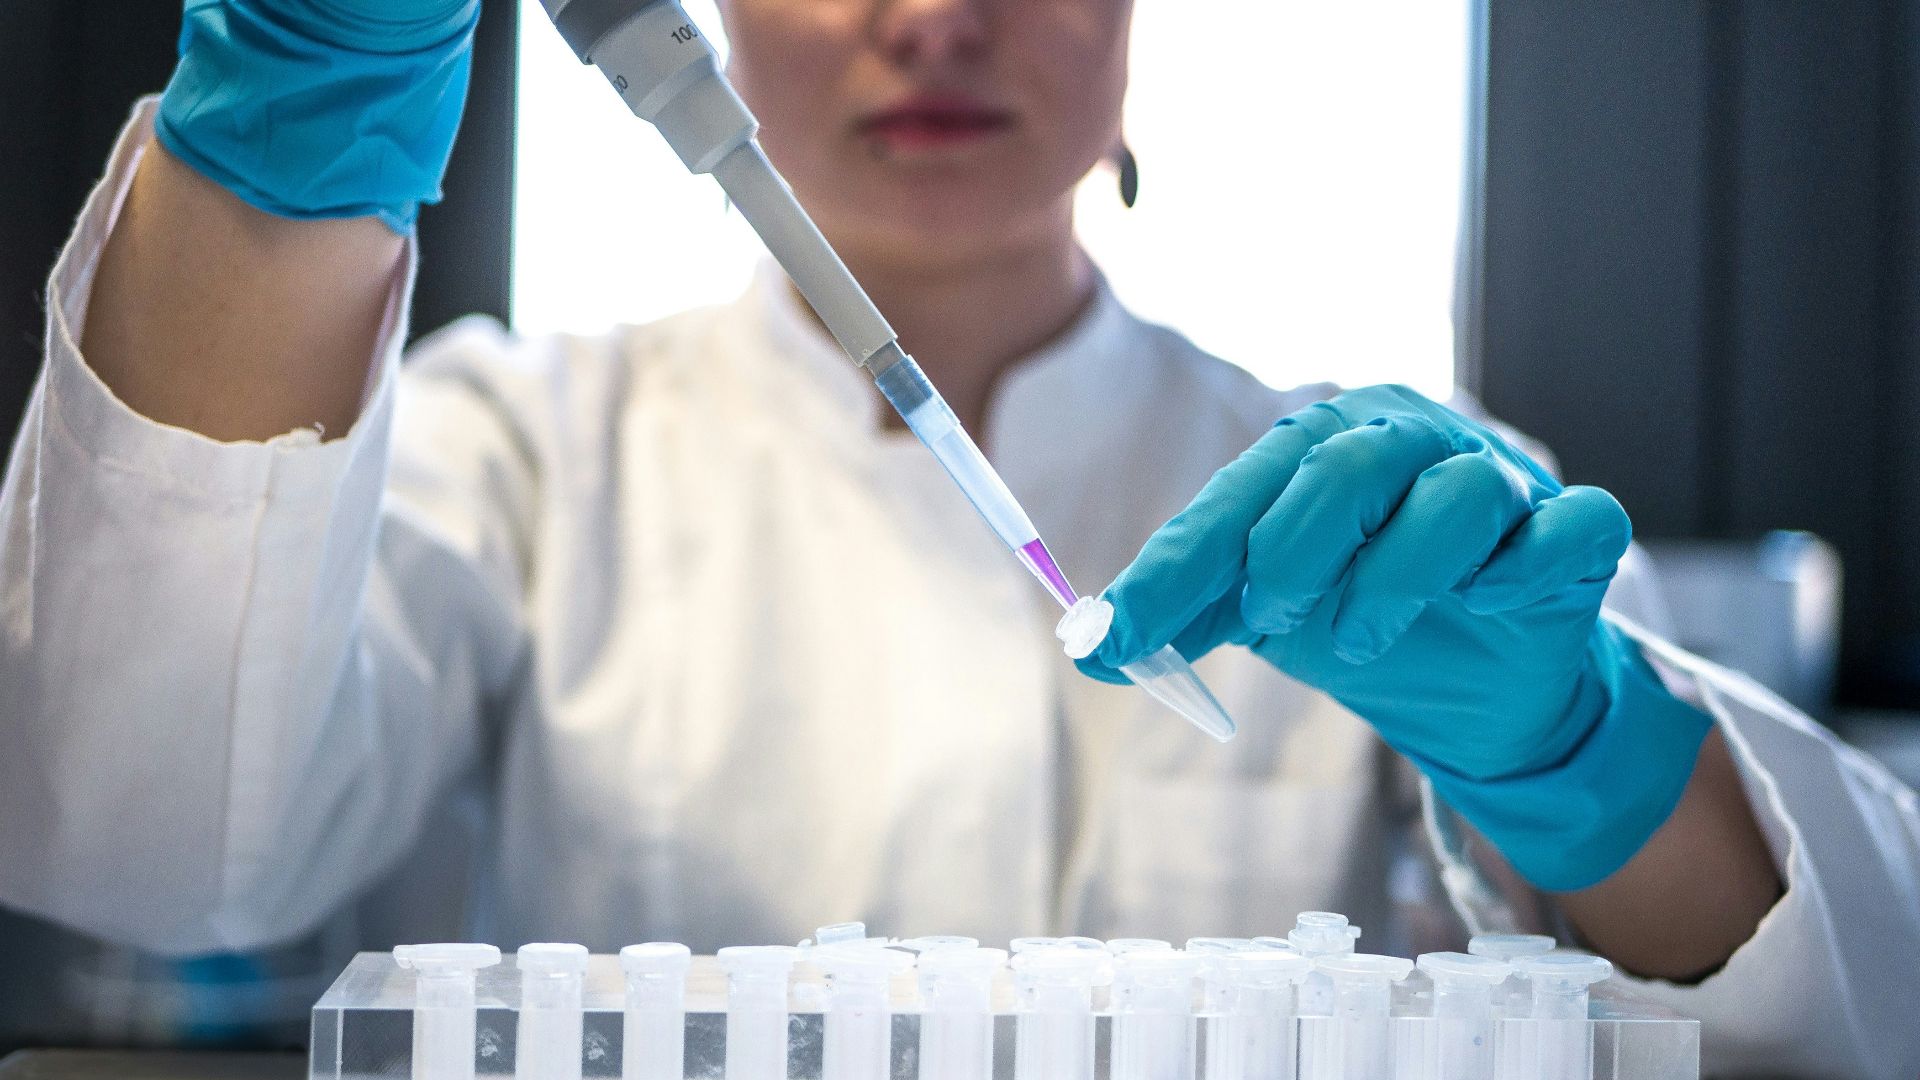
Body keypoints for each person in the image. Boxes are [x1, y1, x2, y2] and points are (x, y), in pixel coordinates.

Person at [0, 0, 1913, 1073]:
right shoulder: (520, 447)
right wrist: (280, 161)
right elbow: (138, 842)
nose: (932, 18)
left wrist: (1587, 757)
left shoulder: (1379, 500)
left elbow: (1847, 1014)